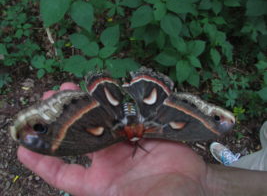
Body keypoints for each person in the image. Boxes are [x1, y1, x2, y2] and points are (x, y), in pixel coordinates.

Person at [17, 83, 267, 196]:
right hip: (147, 117)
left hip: (119, 114)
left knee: (97, 136)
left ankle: (231, 169)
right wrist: (205, 181)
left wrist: (204, 182)